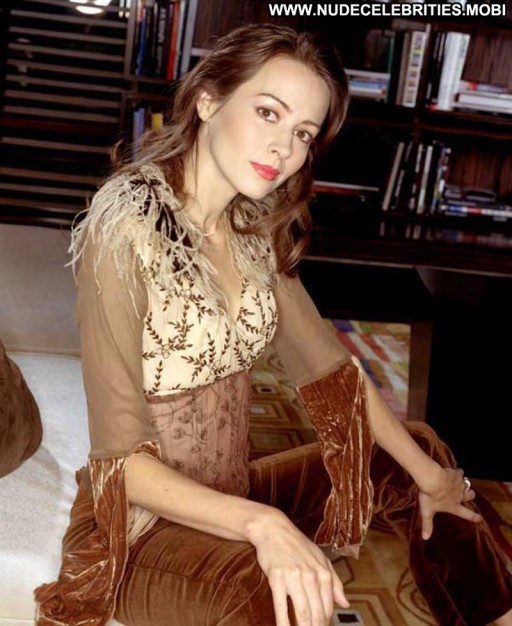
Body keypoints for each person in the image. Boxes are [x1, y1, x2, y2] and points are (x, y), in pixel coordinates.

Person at [34, 23, 512, 626]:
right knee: (265, 585)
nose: (284, 148)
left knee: (417, 454)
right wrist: (267, 524)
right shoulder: (126, 226)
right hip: (139, 530)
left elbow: (334, 372)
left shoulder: (250, 227)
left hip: (232, 494)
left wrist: (433, 480)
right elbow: (120, 461)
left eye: (303, 133)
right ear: (208, 101)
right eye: (268, 112)